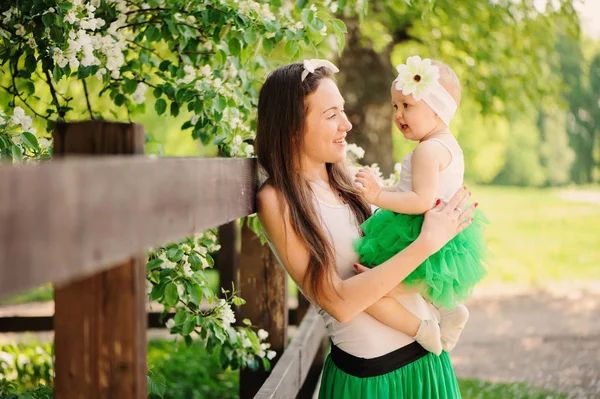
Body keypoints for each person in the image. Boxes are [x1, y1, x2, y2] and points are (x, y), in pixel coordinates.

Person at [255, 59, 473, 398]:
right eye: (331, 115)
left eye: (342, 110)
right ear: (292, 126)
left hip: (427, 365)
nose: (346, 123)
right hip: (370, 380)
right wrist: (428, 242)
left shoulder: (348, 181)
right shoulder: (277, 200)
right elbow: (339, 303)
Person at [353, 56, 488, 355]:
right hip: (441, 231)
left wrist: (376, 197)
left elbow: (420, 200)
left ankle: (422, 328)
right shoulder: (447, 145)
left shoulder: (426, 151)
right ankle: (447, 310)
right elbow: (410, 190)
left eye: (408, 106)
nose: (398, 114)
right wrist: (377, 190)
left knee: (371, 285)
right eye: (395, 106)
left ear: (438, 110)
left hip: (420, 230)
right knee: (403, 283)